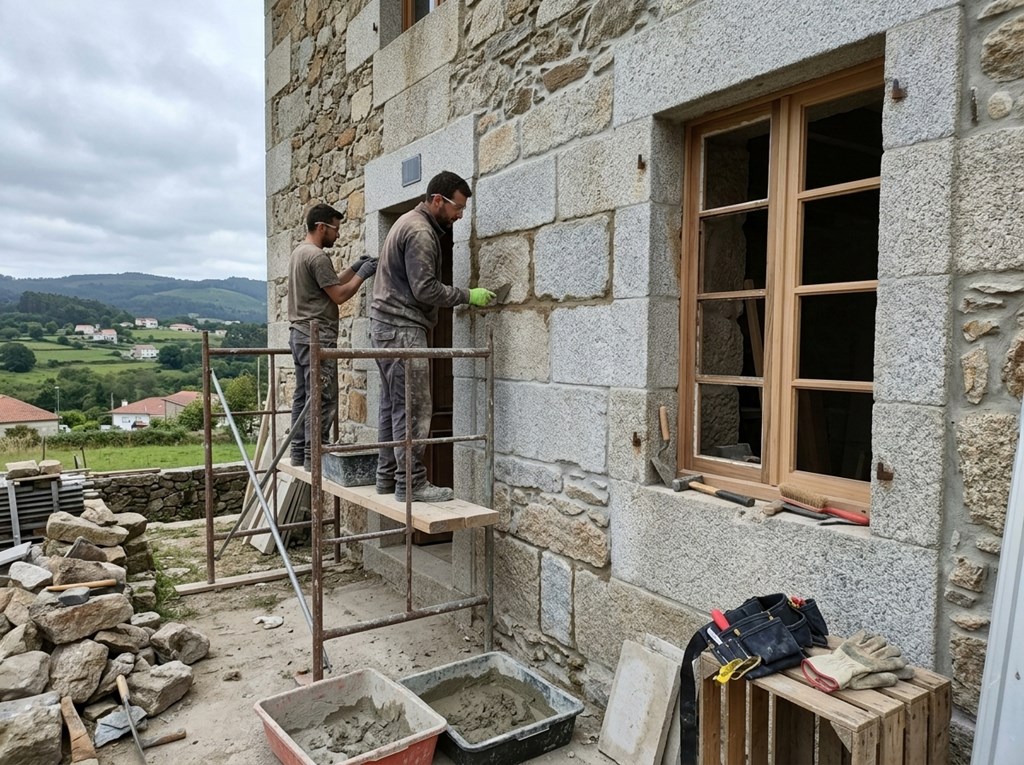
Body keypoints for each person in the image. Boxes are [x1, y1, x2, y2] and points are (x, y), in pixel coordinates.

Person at [371, 171, 495, 502]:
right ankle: (411, 483)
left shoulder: (407, 223)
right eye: (457, 207)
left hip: (387, 327)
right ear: (437, 200)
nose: (459, 215)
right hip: (401, 329)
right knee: (415, 406)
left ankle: (388, 477)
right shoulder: (421, 232)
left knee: (393, 403)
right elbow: (424, 289)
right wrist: (468, 295)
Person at [288, 203, 377, 470]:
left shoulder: (299, 253)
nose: (338, 235)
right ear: (321, 227)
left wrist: (353, 268)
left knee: (304, 395)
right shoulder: (316, 256)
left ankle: (299, 453)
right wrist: (362, 276)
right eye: (336, 230)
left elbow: (330, 282)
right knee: (323, 398)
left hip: (299, 334)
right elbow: (338, 295)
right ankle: (315, 457)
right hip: (316, 337)